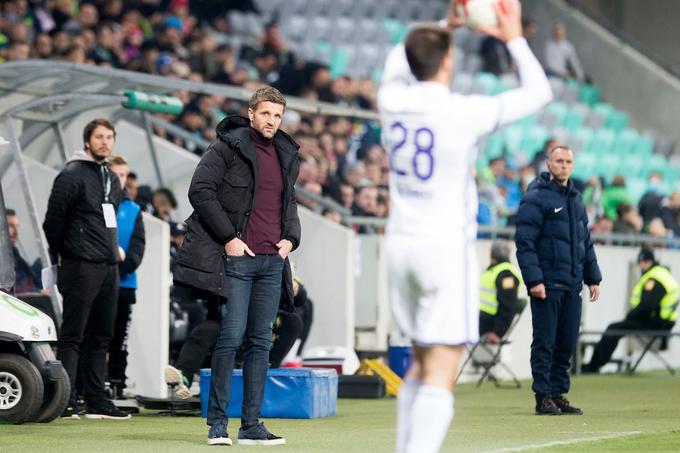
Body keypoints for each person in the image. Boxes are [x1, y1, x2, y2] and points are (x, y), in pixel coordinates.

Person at [378, 1, 552, 451]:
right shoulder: (462, 111)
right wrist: (512, 35)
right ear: (449, 61)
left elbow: (403, 58)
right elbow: (539, 93)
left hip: (399, 247)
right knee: (442, 367)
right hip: (442, 250)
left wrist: (443, 24)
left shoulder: (390, 99)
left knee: (420, 360)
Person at [173, 86, 300, 446]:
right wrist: (230, 237)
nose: (271, 121)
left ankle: (251, 425)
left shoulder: (286, 153)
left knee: (260, 342)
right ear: (251, 114)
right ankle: (217, 424)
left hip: (272, 260)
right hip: (237, 258)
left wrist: (291, 238)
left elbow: (288, 203)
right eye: (265, 114)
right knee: (229, 340)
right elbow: (200, 190)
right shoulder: (227, 147)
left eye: (277, 115)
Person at [42, 118, 129, 419]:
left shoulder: (112, 178)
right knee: (73, 335)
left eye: (109, 137)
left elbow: (111, 218)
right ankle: (64, 399)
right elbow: (52, 222)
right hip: (79, 265)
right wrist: (66, 253)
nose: (105, 142)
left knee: (102, 336)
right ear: (87, 141)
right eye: (99, 137)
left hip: (107, 266)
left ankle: (95, 398)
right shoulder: (71, 174)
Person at [515, 145, 602, 416]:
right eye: (559, 161)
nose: (563, 165)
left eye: (568, 161)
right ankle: (543, 396)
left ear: (572, 166)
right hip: (547, 284)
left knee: (566, 342)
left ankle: (558, 393)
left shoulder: (576, 200)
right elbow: (525, 242)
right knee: (545, 341)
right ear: (549, 164)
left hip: (572, 284)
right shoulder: (536, 197)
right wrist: (534, 280)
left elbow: (584, 241)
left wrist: (593, 277)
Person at [582, 248, 678, 373]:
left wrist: (629, 317)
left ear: (646, 262)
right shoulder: (663, 273)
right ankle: (595, 364)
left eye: (641, 262)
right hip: (665, 321)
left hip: (656, 322)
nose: (640, 266)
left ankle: (593, 366)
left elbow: (647, 306)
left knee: (613, 329)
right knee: (616, 328)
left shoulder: (653, 278)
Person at [107, 155, 146, 400]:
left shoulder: (133, 210)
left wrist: (119, 269)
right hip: (98, 283)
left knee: (120, 338)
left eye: (123, 175)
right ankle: (85, 385)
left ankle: (116, 382)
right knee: (97, 336)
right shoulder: (96, 204)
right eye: (116, 174)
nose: (120, 180)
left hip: (124, 284)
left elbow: (137, 250)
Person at [479, 241, 522, 343]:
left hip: (490, 328)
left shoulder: (506, 274)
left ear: (491, 254)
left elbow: (508, 306)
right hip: (482, 325)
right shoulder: (492, 270)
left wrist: (498, 333)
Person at [5, 209, 43, 294]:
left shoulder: (13, 251)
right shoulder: (4, 257)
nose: (16, 232)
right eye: (10, 226)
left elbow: (31, 278)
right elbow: (11, 288)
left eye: (17, 226)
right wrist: (38, 292)